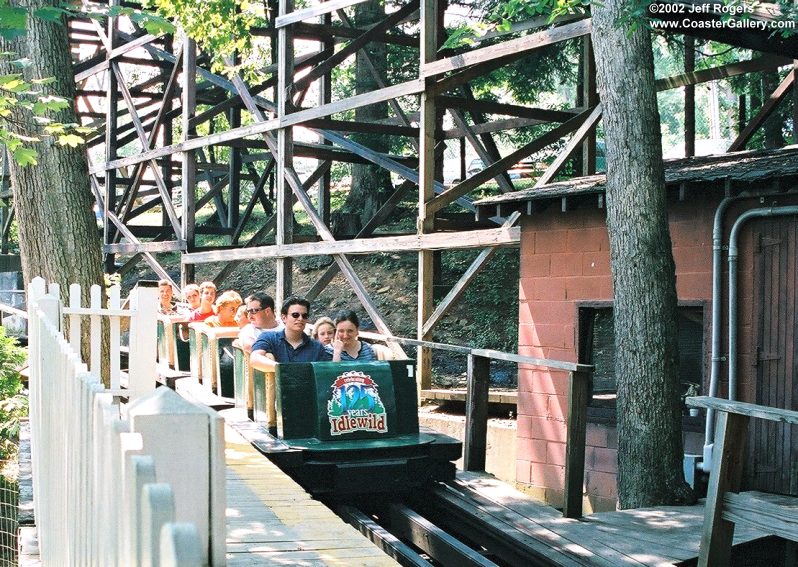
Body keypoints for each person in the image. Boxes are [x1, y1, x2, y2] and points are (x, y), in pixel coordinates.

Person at [250, 296, 331, 370]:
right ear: (284, 317)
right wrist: (280, 369)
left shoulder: (317, 347)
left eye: (304, 316)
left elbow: (323, 373)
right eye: (295, 315)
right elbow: (255, 358)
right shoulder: (269, 338)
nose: (300, 319)